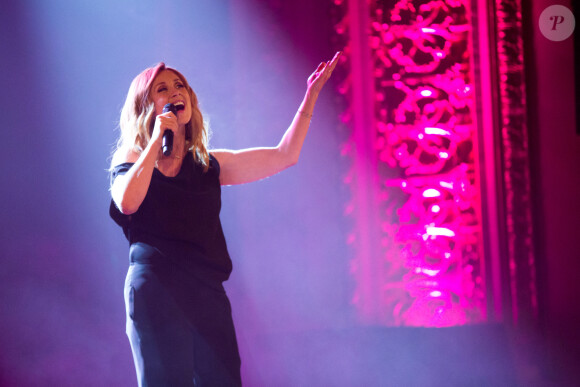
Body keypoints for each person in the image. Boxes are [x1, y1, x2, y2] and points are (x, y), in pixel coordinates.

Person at [109, 51, 341, 386]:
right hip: (156, 290)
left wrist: (311, 96)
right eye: (162, 89)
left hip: (206, 293)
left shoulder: (207, 164)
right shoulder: (131, 157)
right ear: (145, 106)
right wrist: (156, 140)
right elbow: (128, 202)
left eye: (180, 86)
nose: (175, 92)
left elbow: (284, 155)